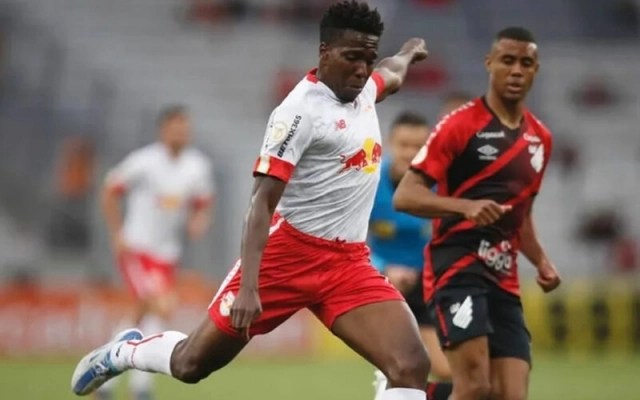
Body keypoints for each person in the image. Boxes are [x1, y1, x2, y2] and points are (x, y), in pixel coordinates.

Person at [71, 2, 432, 400]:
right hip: (287, 257)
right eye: (352, 58)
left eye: (368, 58)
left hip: (348, 263)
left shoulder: (365, 90)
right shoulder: (298, 113)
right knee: (191, 364)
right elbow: (261, 202)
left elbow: (392, 71)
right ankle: (124, 352)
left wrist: (409, 50)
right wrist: (249, 287)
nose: (362, 69)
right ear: (325, 52)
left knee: (410, 365)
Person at [393, 27, 561, 400]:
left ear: (535, 70)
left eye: (526, 63)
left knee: (509, 394)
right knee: (474, 388)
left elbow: (521, 216)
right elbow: (405, 196)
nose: (516, 70)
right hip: (457, 269)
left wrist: (542, 261)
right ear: (489, 63)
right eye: (508, 60)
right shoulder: (459, 125)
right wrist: (465, 206)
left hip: (503, 278)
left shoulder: (541, 139)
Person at [96, 105, 215, 400]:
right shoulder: (144, 162)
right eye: (175, 128)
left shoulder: (196, 166)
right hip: (137, 247)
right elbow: (110, 189)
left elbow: (204, 201)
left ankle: (113, 382)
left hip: (166, 254)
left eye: (185, 129)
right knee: (159, 306)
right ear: (163, 130)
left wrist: (199, 219)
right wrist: (117, 232)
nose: (181, 134)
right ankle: (137, 388)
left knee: (144, 315)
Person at [368, 111, 453, 400]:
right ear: (391, 143)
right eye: (404, 145)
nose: (410, 153)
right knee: (402, 365)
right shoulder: (370, 182)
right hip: (382, 284)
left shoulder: (440, 185)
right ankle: (389, 383)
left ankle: (392, 391)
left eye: (418, 146)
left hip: (428, 286)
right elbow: (350, 238)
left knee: (446, 371)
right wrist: (384, 268)